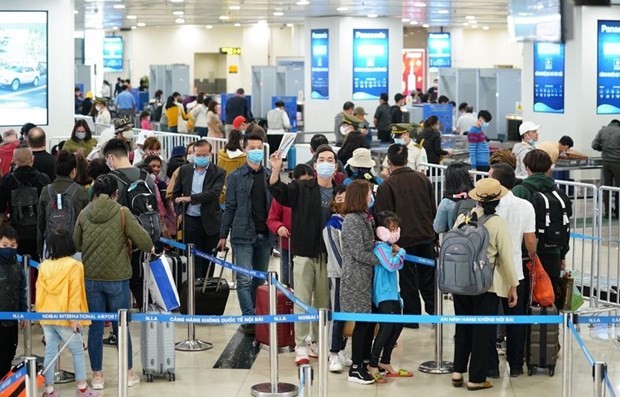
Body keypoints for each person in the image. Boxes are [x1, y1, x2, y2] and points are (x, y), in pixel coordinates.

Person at [74, 174, 153, 390]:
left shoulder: (84, 213)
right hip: (118, 278)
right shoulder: (122, 212)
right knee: (121, 327)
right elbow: (144, 241)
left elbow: (75, 242)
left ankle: (97, 376)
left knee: (96, 327)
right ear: (115, 193)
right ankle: (127, 372)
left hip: (91, 278)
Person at [269, 144, 336, 365]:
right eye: (322, 159)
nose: (326, 163)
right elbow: (278, 191)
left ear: (336, 166)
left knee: (324, 302)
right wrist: (276, 169)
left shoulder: (340, 192)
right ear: (315, 165)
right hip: (304, 252)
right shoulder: (301, 188)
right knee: (302, 300)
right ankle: (301, 345)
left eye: (330, 160)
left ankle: (318, 340)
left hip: (329, 256)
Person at [451, 177, 519, 391]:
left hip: (460, 282)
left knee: (462, 327)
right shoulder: (497, 222)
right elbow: (506, 257)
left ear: (477, 199)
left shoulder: (463, 217)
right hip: (485, 284)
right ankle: (476, 378)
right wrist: (513, 285)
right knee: (482, 330)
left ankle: (457, 372)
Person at [375, 144, 436, 327]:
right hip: (426, 235)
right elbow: (433, 208)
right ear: (407, 159)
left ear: (388, 161)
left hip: (402, 240)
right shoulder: (423, 180)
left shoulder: (387, 186)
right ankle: (435, 313)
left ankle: (412, 318)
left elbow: (384, 216)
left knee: (408, 280)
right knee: (428, 277)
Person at [218, 133, 273, 334]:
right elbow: (229, 207)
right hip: (242, 234)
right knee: (243, 279)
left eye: (259, 147)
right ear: (244, 150)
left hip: (265, 235)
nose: (256, 151)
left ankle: (258, 315)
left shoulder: (269, 176)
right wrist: (223, 234)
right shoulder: (234, 177)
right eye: (252, 147)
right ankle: (248, 318)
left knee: (259, 280)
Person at [488, 163, 537, 378]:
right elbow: (530, 241)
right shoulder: (525, 206)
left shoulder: (487, 205)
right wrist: (533, 258)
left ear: (497, 182)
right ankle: (516, 365)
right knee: (515, 320)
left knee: (488, 319)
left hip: (489, 273)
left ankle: (491, 366)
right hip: (515, 271)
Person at [36, 230, 100, 397]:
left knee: (50, 353)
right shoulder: (74, 266)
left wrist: (41, 315)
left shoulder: (44, 266)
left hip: (47, 316)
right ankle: (82, 389)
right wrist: (74, 318)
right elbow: (75, 293)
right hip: (66, 317)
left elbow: (39, 292)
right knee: (77, 351)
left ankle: (48, 390)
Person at [104, 138, 161, 311]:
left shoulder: (110, 179)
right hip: (146, 234)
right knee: (140, 277)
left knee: (123, 281)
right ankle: (149, 312)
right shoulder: (145, 176)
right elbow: (156, 205)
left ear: (111, 158)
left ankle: (120, 323)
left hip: (122, 240)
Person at [512, 150, 572, 307]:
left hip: (528, 256)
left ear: (527, 168)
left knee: (525, 301)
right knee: (548, 299)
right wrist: (563, 253)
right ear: (548, 169)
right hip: (554, 253)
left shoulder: (521, 191)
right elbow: (566, 225)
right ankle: (547, 331)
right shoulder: (559, 193)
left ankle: (524, 332)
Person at [339, 179, 377, 385]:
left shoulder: (365, 218)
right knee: (361, 324)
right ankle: (355, 368)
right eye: (368, 193)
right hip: (356, 279)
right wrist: (382, 259)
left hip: (366, 277)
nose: (371, 196)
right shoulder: (352, 220)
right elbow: (358, 252)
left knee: (367, 323)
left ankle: (362, 361)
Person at [173, 140, 225, 278]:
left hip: (210, 222)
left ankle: (206, 291)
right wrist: (179, 211)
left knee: (209, 263)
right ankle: (194, 292)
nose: (201, 157)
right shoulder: (184, 170)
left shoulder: (219, 172)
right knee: (193, 262)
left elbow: (213, 194)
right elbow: (175, 194)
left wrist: (190, 198)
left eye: (204, 155)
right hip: (190, 221)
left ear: (210, 154)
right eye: (198, 154)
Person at [367, 211, 409, 382]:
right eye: (391, 228)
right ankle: (373, 363)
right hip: (384, 294)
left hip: (394, 293)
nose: (395, 231)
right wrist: (402, 253)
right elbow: (392, 265)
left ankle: (385, 361)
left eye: (396, 228)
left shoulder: (389, 248)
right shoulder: (380, 248)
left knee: (397, 327)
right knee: (386, 329)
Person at [267, 163, 315, 288]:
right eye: (303, 182)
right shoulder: (284, 197)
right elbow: (272, 219)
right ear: (294, 181)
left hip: (310, 247)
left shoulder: (315, 195)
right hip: (287, 247)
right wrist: (279, 227)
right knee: (289, 281)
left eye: (310, 181)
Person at [0, 146, 51, 264]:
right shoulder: (43, 178)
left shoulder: (8, 179)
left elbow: (1, 208)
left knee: (16, 264)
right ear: (32, 159)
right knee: (38, 263)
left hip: (16, 231)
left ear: (13, 160)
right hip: (38, 231)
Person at [37, 150, 90, 259]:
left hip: (51, 246)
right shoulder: (81, 192)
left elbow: (41, 223)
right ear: (74, 171)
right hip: (75, 248)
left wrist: (40, 248)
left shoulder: (46, 190)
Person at [322, 185, 351, 372]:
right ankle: (332, 352)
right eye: (340, 199)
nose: (343, 202)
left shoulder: (352, 221)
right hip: (338, 275)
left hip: (352, 277)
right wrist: (346, 274)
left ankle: (341, 349)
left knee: (348, 313)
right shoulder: (332, 225)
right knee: (338, 313)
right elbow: (335, 253)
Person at [0, 226, 27, 378]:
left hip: (13, 320)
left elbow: (21, 291)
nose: (8, 248)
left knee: (10, 353)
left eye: (12, 245)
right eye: (4, 245)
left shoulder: (18, 267)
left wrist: (23, 313)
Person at [433, 162, 475, 234]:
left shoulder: (446, 202)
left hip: (453, 241)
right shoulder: (475, 197)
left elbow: (438, 228)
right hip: (474, 239)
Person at [593, 120, 620, 217]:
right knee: (618, 188)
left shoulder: (602, 131)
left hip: (606, 163)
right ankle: (618, 212)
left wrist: (602, 148)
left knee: (606, 188)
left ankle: (607, 212)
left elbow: (594, 145)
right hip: (618, 163)